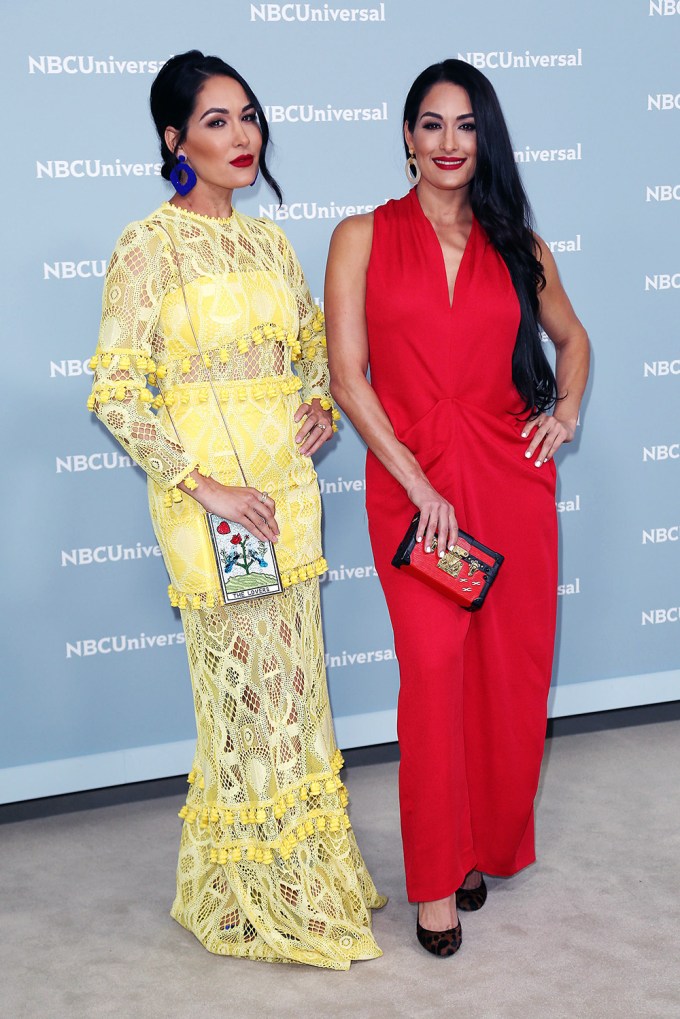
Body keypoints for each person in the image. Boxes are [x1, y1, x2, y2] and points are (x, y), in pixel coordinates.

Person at [88, 50, 384, 969]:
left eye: (248, 116)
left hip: (286, 495)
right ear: (174, 138)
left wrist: (321, 402)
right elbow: (117, 390)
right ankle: (249, 892)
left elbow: (311, 351)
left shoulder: (266, 240)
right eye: (217, 120)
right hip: (214, 508)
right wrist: (205, 484)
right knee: (241, 705)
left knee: (296, 698)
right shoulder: (148, 245)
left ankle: (301, 873)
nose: (242, 135)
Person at [325, 59, 590, 957]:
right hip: (414, 491)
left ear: (485, 139)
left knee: (504, 682)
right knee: (434, 677)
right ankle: (435, 881)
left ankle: (478, 848)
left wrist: (566, 411)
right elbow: (348, 381)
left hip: (508, 484)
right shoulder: (359, 236)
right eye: (431, 125)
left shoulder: (521, 244)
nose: (448, 143)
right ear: (406, 137)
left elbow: (573, 338)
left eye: (466, 125)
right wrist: (417, 483)